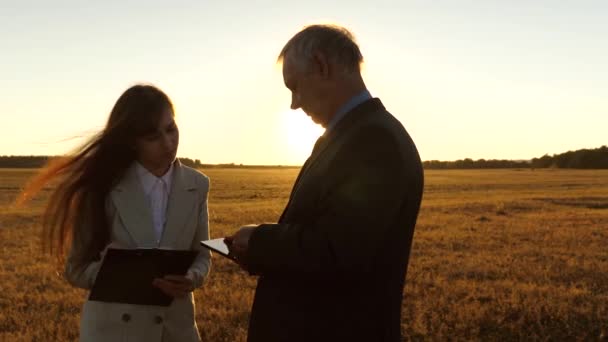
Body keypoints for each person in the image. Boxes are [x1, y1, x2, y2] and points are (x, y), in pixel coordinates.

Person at [227, 24, 424, 342]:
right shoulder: (351, 135)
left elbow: (337, 251)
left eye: (295, 87)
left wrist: (259, 241)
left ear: (321, 65)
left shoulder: (374, 140)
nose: (293, 103)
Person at [18, 84, 211, 342]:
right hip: (114, 333)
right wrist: (116, 275)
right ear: (131, 142)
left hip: (176, 331)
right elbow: (76, 269)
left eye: (171, 129)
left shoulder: (197, 185)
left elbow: (203, 256)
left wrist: (191, 278)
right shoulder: (103, 186)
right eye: (153, 137)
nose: (168, 143)